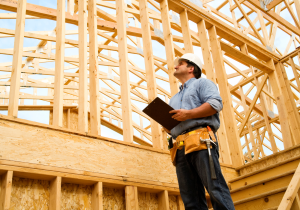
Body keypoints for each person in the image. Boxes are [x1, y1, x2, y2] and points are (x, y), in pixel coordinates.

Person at [165, 53, 235, 210]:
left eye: (180, 63)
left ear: (191, 68)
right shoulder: (173, 99)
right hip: (181, 147)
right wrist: (167, 126)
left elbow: (215, 104)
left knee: (215, 189)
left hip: (202, 140)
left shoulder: (202, 84)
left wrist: (188, 114)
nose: (175, 66)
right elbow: (175, 126)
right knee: (191, 199)